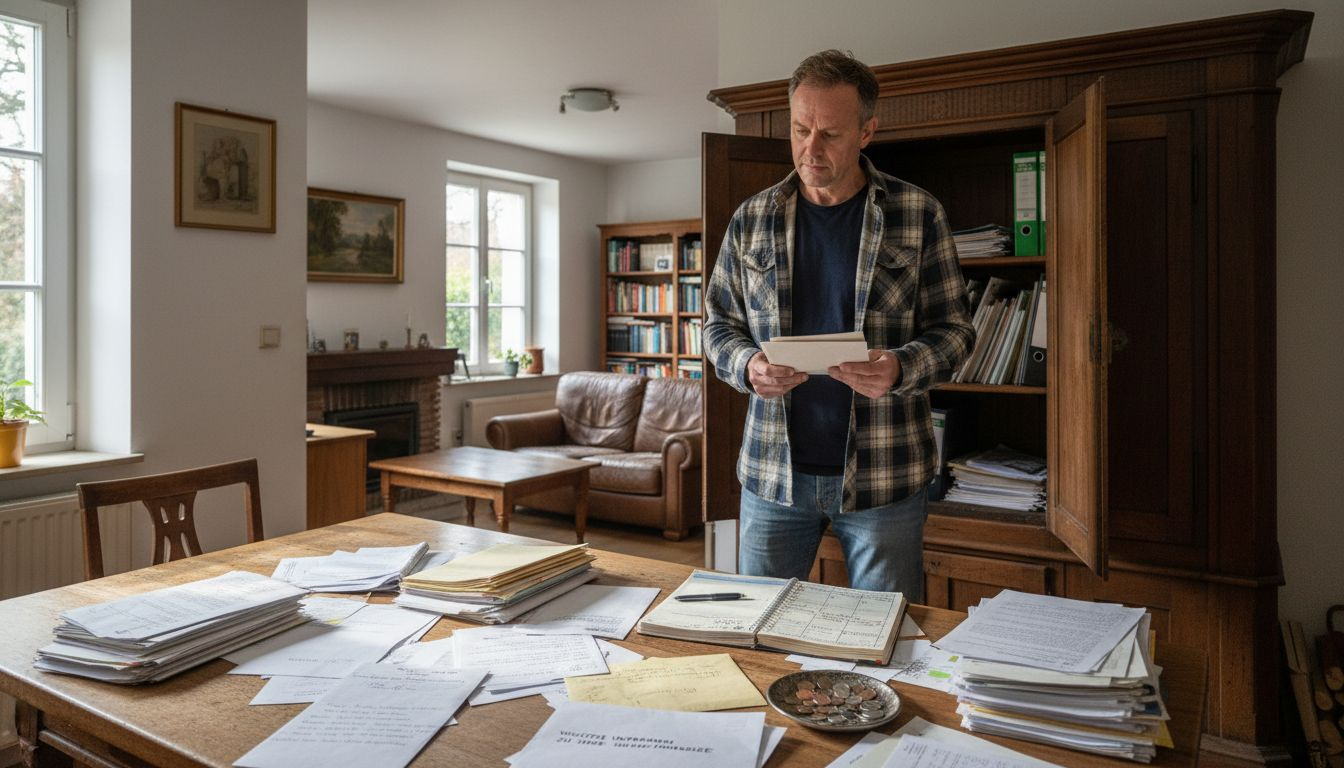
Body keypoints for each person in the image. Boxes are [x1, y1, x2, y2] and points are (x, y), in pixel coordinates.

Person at [703, 50, 975, 596]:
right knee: (761, 625)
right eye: (800, 130)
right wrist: (749, 364)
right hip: (772, 474)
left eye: (829, 133)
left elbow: (956, 330)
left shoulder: (917, 212)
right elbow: (716, 325)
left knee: (885, 633)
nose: (811, 149)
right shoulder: (751, 218)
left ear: (866, 131)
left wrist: (900, 367)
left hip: (885, 475)